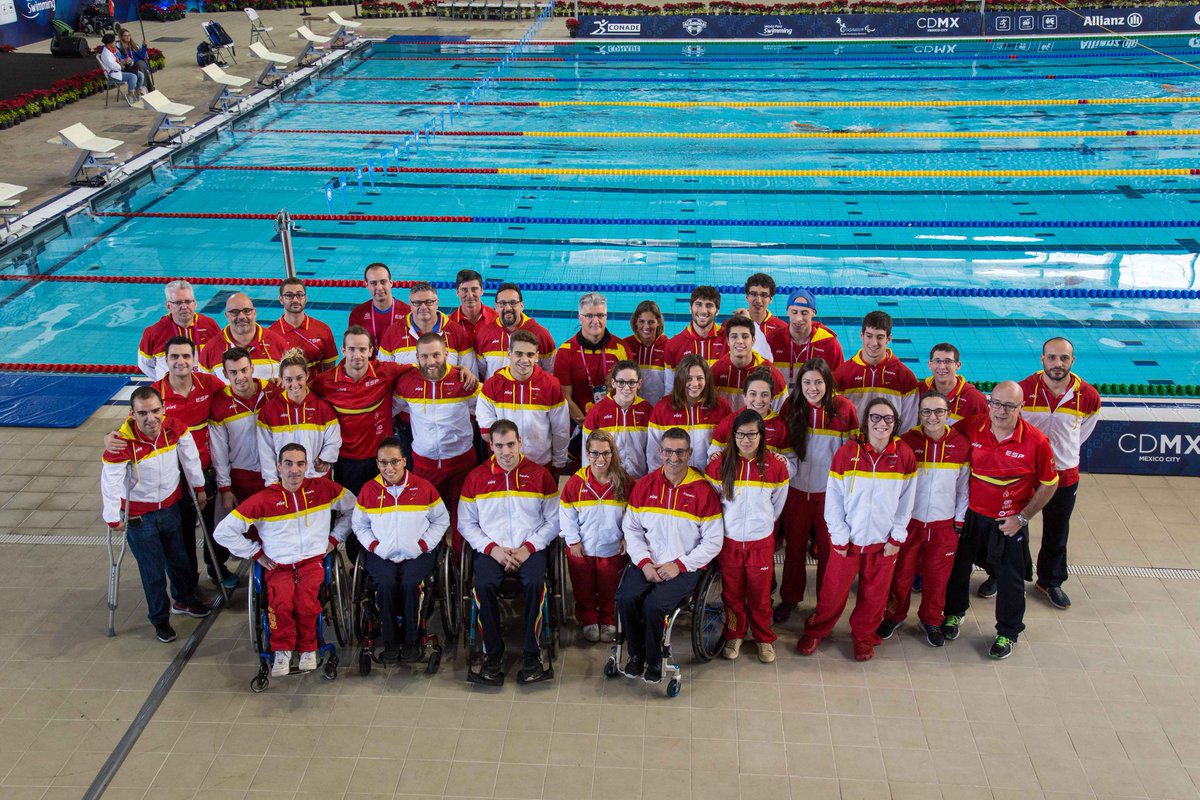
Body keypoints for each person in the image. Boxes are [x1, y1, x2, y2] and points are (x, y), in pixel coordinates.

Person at [942, 381, 1060, 660]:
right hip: (970, 516)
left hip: (1008, 523)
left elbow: (1050, 483)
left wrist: (1022, 517)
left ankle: (1008, 631)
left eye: (1009, 405)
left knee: (1010, 579)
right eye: (996, 403)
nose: (1001, 411)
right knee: (958, 569)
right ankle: (954, 614)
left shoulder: (1036, 442)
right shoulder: (971, 426)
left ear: (1021, 408)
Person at [214, 443, 354, 677]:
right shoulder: (263, 500)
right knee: (280, 604)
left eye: (300, 464)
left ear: (307, 466)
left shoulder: (323, 488)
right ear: (278, 467)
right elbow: (222, 532)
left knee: (306, 602)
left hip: (312, 561)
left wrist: (335, 537)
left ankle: (309, 648)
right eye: (288, 464)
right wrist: (255, 552)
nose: (294, 470)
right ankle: (283, 650)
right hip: (278, 565)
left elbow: (354, 508)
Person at [798, 398, 916, 662]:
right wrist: (838, 536)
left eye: (888, 418)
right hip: (848, 541)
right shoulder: (847, 453)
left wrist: (897, 536)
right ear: (866, 421)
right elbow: (834, 498)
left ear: (895, 423)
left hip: (883, 542)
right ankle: (817, 630)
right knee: (832, 592)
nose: (881, 423)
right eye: (875, 417)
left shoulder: (904, 455)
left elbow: (907, 501)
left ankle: (863, 636)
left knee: (874, 596)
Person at [101, 386, 210, 644]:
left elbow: (191, 458)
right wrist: (112, 515)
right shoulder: (122, 443)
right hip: (141, 519)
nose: (150, 419)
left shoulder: (174, 428)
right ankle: (160, 620)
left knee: (180, 559)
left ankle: (183, 600)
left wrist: (199, 487)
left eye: (155, 411)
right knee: (153, 573)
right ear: (132, 414)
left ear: (163, 409)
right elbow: (111, 481)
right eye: (143, 413)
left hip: (171, 508)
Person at [618, 427, 724, 683]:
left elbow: (713, 541)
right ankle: (635, 655)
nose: (673, 458)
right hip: (648, 562)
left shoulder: (703, 491)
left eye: (680, 452)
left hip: (684, 567)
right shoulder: (645, 485)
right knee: (626, 598)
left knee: (654, 606)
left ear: (689, 453)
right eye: (668, 451)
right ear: (660, 452)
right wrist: (644, 563)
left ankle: (654, 660)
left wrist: (680, 565)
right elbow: (631, 529)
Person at [458, 420, 560, 684]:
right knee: (483, 586)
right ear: (490, 445)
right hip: (492, 550)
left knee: (537, 583)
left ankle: (531, 654)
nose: (506, 452)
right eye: (499, 445)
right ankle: (492, 654)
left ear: (520, 443)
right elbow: (465, 523)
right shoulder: (475, 477)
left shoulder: (540, 475)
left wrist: (529, 547)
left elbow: (554, 520)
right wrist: (492, 550)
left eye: (511, 444)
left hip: (530, 549)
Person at [878, 390, 969, 647]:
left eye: (939, 411)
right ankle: (894, 615)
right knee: (902, 575)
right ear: (919, 414)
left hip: (943, 525)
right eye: (927, 411)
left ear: (948, 414)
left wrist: (958, 521)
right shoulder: (906, 442)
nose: (933, 417)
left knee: (938, 578)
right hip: (911, 523)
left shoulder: (961, 444)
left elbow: (963, 488)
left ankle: (931, 619)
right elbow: (896, 486)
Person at [1018, 338, 1101, 610]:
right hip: (1026, 473)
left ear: (1072, 361)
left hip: (1064, 475)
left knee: (1057, 530)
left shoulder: (1087, 395)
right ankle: (1007, 574)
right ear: (1042, 359)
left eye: (1063, 358)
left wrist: (1063, 453)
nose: (1058, 364)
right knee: (1015, 526)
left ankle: (1050, 581)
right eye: (1052, 358)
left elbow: (1083, 431)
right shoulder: (1024, 390)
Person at [775, 358, 859, 623]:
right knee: (795, 548)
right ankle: (790, 597)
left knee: (828, 549)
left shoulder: (844, 409)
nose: (813, 388)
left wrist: (847, 496)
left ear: (828, 383)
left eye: (818, 382)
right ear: (800, 384)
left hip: (829, 495)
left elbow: (852, 455)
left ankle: (826, 601)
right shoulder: (791, 407)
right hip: (797, 490)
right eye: (807, 382)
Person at [351, 437, 449, 663]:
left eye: (394, 461)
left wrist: (423, 545)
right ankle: (390, 640)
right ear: (377, 464)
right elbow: (359, 525)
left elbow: (441, 520)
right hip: (382, 554)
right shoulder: (369, 490)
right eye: (383, 463)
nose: (389, 468)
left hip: (416, 554)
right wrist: (374, 546)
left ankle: (411, 639)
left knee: (409, 584)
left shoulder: (423, 487)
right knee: (384, 584)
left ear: (404, 461)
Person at [705, 410, 788, 664]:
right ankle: (735, 633)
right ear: (733, 436)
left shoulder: (776, 467)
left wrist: (759, 526)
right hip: (729, 542)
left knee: (760, 593)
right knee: (732, 593)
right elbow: (714, 504)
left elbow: (777, 505)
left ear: (762, 435)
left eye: (752, 434)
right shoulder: (719, 465)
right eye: (740, 434)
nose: (746, 439)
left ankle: (764, 637)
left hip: (760, 542)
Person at [152, 337, 233, 589]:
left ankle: (217, 567)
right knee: (181, 532)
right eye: (174, 357)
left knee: (212, 525)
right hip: (172, 476)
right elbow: (132, 427)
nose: (181, 361)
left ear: (194, 360)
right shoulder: (156, 394)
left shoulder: (208, 384)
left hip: (204, 471)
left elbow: (236, 391)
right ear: (166, 361)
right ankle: (187, 583)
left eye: (186, 356)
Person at [391, 333, 479, 553]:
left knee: (464, 520)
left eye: (436, 355)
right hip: (424, 465)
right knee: (427, 520)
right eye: (425, 356)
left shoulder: (463, 381)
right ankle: (432, 570)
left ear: (447, 354)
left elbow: (488, 406)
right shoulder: (406, 383)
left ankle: (461, 568)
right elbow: (392, 409)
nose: (431, 362)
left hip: (461, 464)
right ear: (417, 357)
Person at [310, 326, 404, 497]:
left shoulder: (385, 372)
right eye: (352, 349)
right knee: (350, 510)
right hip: (346, 460)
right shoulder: (325, 381)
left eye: (362, 349)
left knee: (382, 507)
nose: (357, 355)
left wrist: (460, 371)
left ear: (370, 351)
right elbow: (304, 400)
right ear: (343, 350)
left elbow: (423, 368)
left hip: (381, 458)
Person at [559, 430, 630, 643]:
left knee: (610, 586)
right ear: (587, 454)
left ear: (613, 454)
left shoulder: (625, 482)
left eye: (606, 453)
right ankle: (588, 617)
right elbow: (566, 514)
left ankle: (608, 618)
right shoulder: (575, 482)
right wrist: (573, 541)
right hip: (582, 547)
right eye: (595, 454)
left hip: (612, 547)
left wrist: (627, 536)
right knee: (583, 586)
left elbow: (633, 515)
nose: (601, 459)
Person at [476, 329, 570, 477]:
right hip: (503, 466)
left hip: (540, 464)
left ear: (537, 356)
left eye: (530, 354)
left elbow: (561, 430)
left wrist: (559, 462)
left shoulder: (550, 385)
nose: (525, 360)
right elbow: (486, 429)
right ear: (509, 353)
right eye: (519, 354)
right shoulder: (492, 385)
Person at [554, 293, 630, 452]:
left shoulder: (620, 348)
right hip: (578, 423)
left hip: (613, 422)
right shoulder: (566, 351)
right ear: (579, 318)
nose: (595, 321)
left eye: (600, 315)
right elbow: (564, 396)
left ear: (606, 316)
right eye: (589, 315)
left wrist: (606, 420)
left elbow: (628, 391)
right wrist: (585, 422)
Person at [257, 349, 342, 486]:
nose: (294, 384)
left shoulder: (323, 408)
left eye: (299, 378)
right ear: (281, 379)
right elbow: (265, 451)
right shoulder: (269, 411)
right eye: (288, 379)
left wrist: (325, 459)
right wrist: (271, 482)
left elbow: (334, 439)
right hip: (284, 483)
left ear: (307, 375)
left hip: (317, 480)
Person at [210, 347, 274, 510]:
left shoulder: (272, 392)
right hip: (241, 477)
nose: (240, 377)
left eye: (244, 370)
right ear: (225, 374)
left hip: (275, 473)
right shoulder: (220, 403)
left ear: (252, 367)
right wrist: (225, 488)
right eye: (233, 372)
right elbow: (219, 450)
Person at [833, 309, 918, 432]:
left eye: (880, 337)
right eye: (869, 336)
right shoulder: (842, 374)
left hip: (890, 447)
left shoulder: (905, 376)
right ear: (861, 335)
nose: (874, 343)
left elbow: (909, 423)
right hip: (853, 446)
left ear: (888, 339)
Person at [647, 354, 733, 472]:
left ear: (706, 379)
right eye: (688, 378)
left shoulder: (722, 407)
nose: (694, 383)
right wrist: (659, 480)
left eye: (699, 378)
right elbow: (654, 453)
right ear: (680, 379)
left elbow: (730, 446)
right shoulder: (663, 407)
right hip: (676, 480)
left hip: (710, 478)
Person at [708, 367, 794, 474]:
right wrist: (713, 456)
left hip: (766, 487)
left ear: (772, 398)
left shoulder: (781, 427)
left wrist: (785, 463)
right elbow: (713, 455)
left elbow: (793, 465)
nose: (758, 400)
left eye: (765, 395)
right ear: (745, 396)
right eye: (753, 394)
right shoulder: (729, 422)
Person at [378, 281, 477, 373]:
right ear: (410, 305)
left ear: (437, 303)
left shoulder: (457, 332)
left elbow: (470, 374)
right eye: (417, 303)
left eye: (429, 302)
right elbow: (384, 373)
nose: (423, 307)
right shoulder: (394, 332)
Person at [137, 280, 222, 381]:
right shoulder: (153, 332)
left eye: (188, 301)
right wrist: (164, 382)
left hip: (203, 389)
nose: (184, 307)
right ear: (168, 306)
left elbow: (220, 357)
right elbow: (145, 365)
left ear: (195, 303)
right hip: (171, 392)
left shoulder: (209, 325)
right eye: (178, 303)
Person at [582, 360, 654, 479]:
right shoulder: (597, 411)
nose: (626, 388)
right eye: (621, 382)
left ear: (639, 383)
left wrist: (651, 479)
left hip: (639, 480)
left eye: (632, 382)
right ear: (613, 383)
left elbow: (653, 452)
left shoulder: (647, 410)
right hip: (608, 481)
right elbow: (587, 453)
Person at [197, 293, 288, 382]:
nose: (241, 316)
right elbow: (204, 389)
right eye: (234, 312)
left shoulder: (277, 343)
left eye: (246, 311)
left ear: (254, 313)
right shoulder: (211, 349)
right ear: (227, 316)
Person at [474, 283, 556, 378]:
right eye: (502, 303)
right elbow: (482, 371)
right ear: (496, 307)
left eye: (513, 303)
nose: (508, 308)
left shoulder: (541, 334)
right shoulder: (485, 334)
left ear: (522, 305)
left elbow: (551, 371)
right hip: (494, 392)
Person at [710, 315, 787, 413]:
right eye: (734, 337)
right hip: (726, 427)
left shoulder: (772, 374)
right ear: (728, 341)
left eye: (745, 336)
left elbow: (782, 412)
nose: (739, 341)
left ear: (753, 341)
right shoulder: (715, 371)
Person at [766, 289, 844, 384]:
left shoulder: (829, 344)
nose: (798, 318)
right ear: (787, 311)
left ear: (813, 313)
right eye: (794, 312)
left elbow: (838, 383)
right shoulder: (772, 340)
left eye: (804, 313)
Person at [267, 278, 338, 372]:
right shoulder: (271, 334)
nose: (295, 299)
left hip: (316, 387)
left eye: (300, 295)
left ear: (306, 298)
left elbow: (330, 370)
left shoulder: (323, 329)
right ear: (281, 299)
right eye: (289, 295)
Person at [664, 286, 726, 387]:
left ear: (717, 311)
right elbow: (670, 388)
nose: (703, 311)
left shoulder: (729, 340)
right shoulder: (673, 345)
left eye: (709, 305)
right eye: (698, 304)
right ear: (690, 308)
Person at [347, 263, 411, 355]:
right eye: (373, 283)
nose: (379, 288)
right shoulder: (358, 314)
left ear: (391, 282)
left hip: (397, 366)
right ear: (366, 285)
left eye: (383, 282)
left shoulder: (407, 312)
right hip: (368, 367)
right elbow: (351, 349)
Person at [923, 343, 987, 424]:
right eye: (937, 361)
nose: (942, 367)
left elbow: (986, 432)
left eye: (948, 361)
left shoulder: (975, 399)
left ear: (958, 365)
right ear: (930, 364)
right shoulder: (919, 390)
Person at [623, 300, 670, 407]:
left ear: (658, 322)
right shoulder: (626, 345)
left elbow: (672, 384)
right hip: (632, 408)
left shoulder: (668, 346)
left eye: (651, 322)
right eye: (641, 321)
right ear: (635, 321)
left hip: (659, 409)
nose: (646, 327)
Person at [447, 268, 497, 344]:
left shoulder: (496, 318)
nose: (470, 295)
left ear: (482, 291)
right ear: (457, 292)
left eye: (474, 289)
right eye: (464, 290)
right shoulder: (450, 324)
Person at [98, 32, 144, 104]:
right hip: (113, 74)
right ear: (109, 44)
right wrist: (123, 62)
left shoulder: (113, 49)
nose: (115, 43)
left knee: (140, 74)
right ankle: (130, 95)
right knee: (133, 77)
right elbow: (115, 67)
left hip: (120, 70)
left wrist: (126, 61)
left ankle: (137, 91)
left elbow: (119, 59)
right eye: (114, 42)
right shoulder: (106, 54)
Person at [116, 28, 153, 92]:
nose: (128, 37)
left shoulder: (133, 45)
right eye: (125, 36)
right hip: (128, 65)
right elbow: (120, 57)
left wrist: (144, 46)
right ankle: (145, 88)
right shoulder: (119, 46)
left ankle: (143, 88)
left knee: (140, 64)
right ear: (121, 37)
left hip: (138, 62)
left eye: (129, 35)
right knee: (140, 65)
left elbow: (142, 56)